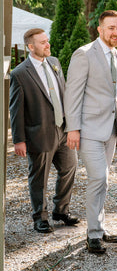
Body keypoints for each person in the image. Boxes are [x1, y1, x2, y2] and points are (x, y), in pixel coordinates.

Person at [64, 10, 117, 254]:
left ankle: (98, 227)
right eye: (111, 28)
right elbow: (73, 93)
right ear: (100, 29)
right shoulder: (84, 54)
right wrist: (73, 129)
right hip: (88, 129)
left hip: (110, 129)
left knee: (104, 180)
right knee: (98, 177)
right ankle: (93, 236)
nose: (116, 32)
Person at [9, 28, 79, 234]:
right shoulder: (20, 73)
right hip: (38, 134)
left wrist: (72, 125)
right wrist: (18, 139)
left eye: (47, 41)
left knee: (69, 168)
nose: (48, 45)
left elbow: (63, 94)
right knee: (39, 178)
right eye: (42, 43)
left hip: (62, 130)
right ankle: (40, 217)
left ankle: (61, 210)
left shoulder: (55, 63)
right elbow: (16, 109)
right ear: (31, 47)